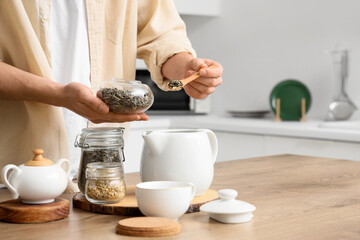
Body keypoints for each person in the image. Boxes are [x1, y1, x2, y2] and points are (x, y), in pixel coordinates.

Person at [0, 0, 223, 189]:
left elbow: (161, 34)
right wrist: (59, 95)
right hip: (12, 175)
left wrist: (187, 68)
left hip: (98, 171)